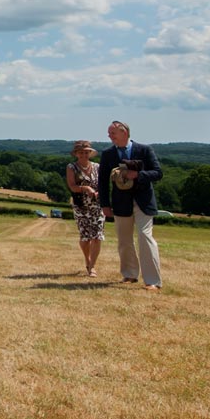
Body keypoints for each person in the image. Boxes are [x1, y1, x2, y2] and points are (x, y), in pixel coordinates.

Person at [97, 120, 163, 291]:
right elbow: (102, 182)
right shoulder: (107, 154)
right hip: (120, 202)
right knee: (124, 240)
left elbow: (158, 173)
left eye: (113, 133)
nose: (109, 136)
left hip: (143, 201)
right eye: (109, 133)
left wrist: (138, 175)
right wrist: (104, 205)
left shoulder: (145, 149)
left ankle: (152, 281)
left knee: (145, 237)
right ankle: (130, 274)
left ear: (124, 132)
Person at [65, 141, 105, 277]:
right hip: (81, 205)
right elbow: (72, 186)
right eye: (81, 152)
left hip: (96, 205)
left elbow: (102, 185)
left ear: (90, 153)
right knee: (85, 237)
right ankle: (87, 260)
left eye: (86, 152)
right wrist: (85, 188)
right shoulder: (72, 167)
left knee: (97, 236)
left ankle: (92, 266)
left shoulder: (97, 167)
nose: (84, 155)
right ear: (76, 154)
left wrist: (99, 192)